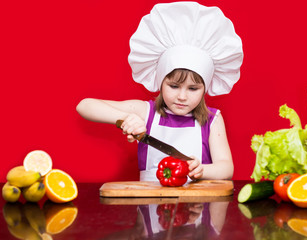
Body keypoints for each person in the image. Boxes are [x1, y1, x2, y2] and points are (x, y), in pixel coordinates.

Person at [76, 2, 243, 181]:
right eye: (173, 86)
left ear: (205, 89)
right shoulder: (146, 112)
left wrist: (202, 170)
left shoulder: (212, 119)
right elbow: (84, 106)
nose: (182, 96)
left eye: (193, 89)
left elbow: (226, 168)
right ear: (160, 81)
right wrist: (126, 119)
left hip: (197, 206)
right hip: (149, 205)